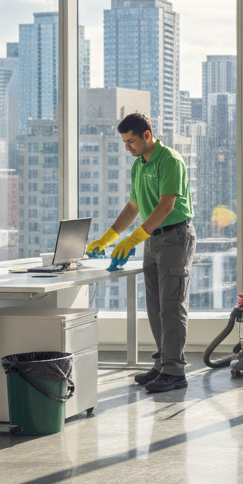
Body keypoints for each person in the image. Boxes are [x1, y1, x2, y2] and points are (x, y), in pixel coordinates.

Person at [86, 113, 196, 393]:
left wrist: (134, 238)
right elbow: (134, 207)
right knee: (156, 307)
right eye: (124, 142)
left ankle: (174, 372)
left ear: (147, 135)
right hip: (153, 240)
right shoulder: (139, 165)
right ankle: (163, 364)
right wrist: (109, 236)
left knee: (172, 307)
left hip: (175, 237)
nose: (127, 148)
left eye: (131, 141)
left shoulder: (169, 160)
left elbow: (166, 206)